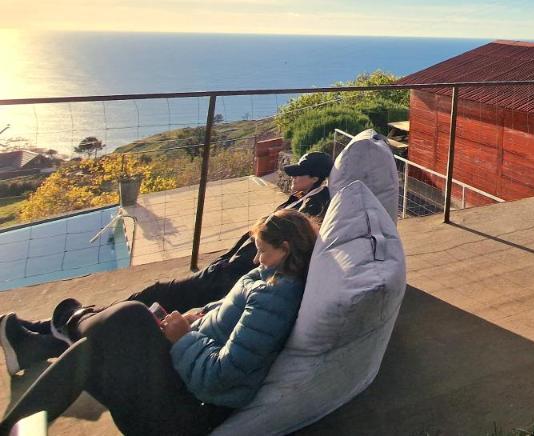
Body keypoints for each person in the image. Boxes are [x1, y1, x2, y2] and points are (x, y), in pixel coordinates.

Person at [1, 150, 332, 374]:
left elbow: (270, 260)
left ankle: (40, 341)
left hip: (222, 284)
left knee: (140, 310)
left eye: (300, 175)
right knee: (139, 306)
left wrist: (228, 273)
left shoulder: (310, 211)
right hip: (220, 274)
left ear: (316, 179)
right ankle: (39, 335)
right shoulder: (302, 199)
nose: (292, 178)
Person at [0, 209, 317, 436]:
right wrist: (197, 317)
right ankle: (61, 330)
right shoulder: (268, 276)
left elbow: (222, 377)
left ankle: (70, 322)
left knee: (127, 319)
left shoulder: (276, 299)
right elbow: (224, 312)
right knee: (108, 339)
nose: (254, 258)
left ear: (285, 248)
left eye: (261, 251)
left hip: (188, 411)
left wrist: (183, 338)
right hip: (183, 379)